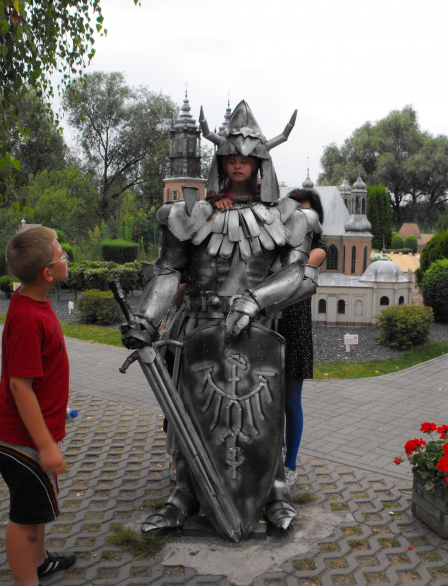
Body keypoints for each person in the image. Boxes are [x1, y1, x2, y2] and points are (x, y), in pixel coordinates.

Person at [119, 101, 322, 541]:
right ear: (220, 159)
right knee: (189, 418)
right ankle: (183, 495)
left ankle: (274, 491)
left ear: (260, 161)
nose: (237, 163)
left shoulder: (290, 217)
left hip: (259, 332)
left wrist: (253, 299)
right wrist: (146, 318)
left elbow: (302, 276)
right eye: (231, 155)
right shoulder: (188, 215)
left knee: (264, 419)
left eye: (245, 156)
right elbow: (169, 272)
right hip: (196, 329)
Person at [0, 227, 76, 586]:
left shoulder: (31, 301)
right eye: (61, 254)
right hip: (23, 440)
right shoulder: (28, 318)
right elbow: (19, 386)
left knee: (41, 505)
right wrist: (44, 444)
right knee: (26, 517)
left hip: (35, 433)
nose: (66, 257)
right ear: (48, 273)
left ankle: (41, 560)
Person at [279, 189, 326, 487]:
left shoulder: (319, 249)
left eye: (307, 213)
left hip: (293, 326)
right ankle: (269, 454)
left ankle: (290, 463)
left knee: (290, 402)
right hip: (268, 321)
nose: (301, 219)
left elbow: (295, 270)